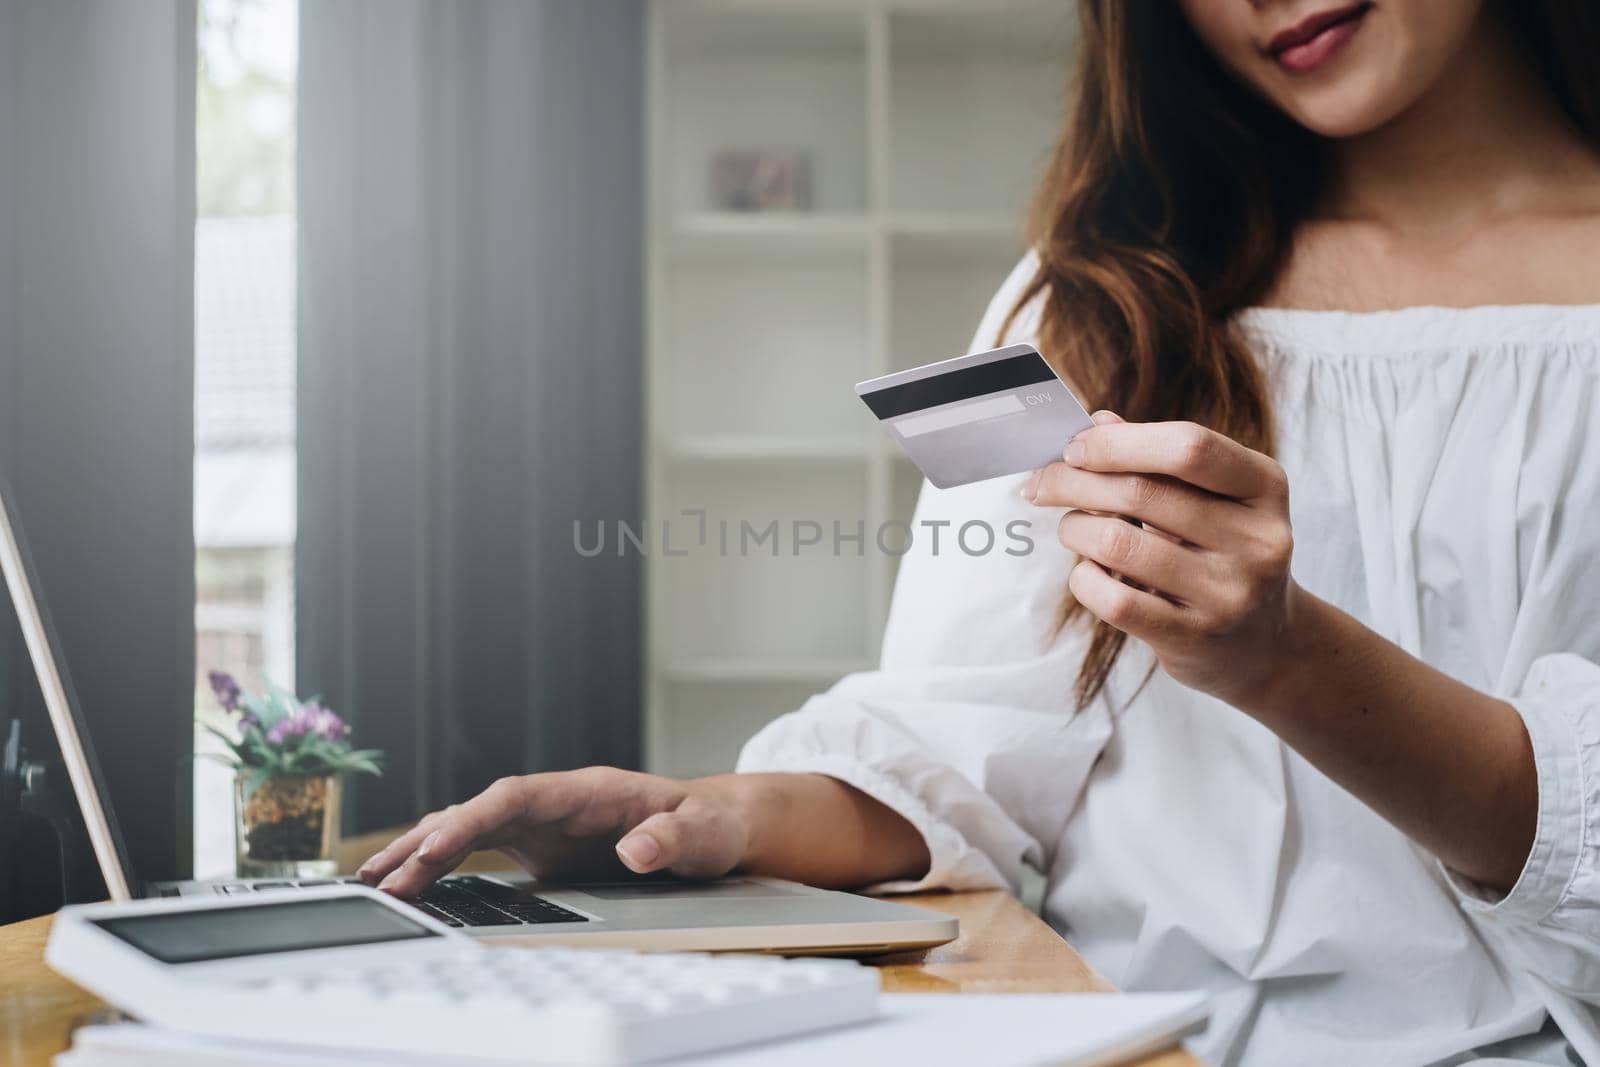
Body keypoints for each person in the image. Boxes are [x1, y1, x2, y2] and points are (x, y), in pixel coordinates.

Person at [361, 2, 1600, 1061]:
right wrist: (712, 812)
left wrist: (1289, 662)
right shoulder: (1101, 300)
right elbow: (964, 743)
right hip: (1106, 1039)